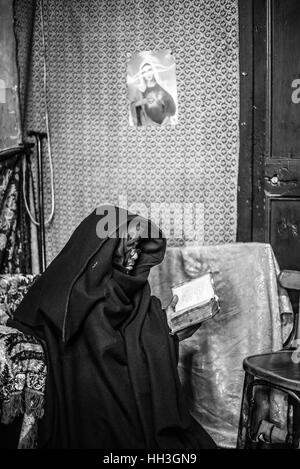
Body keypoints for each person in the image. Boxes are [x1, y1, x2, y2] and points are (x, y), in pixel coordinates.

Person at [8, 206, 216, 449]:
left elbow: (141, 330)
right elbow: (108, 354)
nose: (134, 256)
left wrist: (170, 324)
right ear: (107, 246)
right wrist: (162, 332)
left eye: (139, 248)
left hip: (132, 393)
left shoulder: (132, 286)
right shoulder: (83, 297)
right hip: (103, 400)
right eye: (129, 246)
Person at [131, 62, 176, 126]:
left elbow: (171, 107)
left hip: (163, 124)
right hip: (147, 125)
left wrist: (166, 120)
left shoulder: (160, 88)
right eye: (145, 72)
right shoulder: (140, 90)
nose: (148, 74)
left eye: (150, 70)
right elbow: (133, 105)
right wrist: (144, 101)